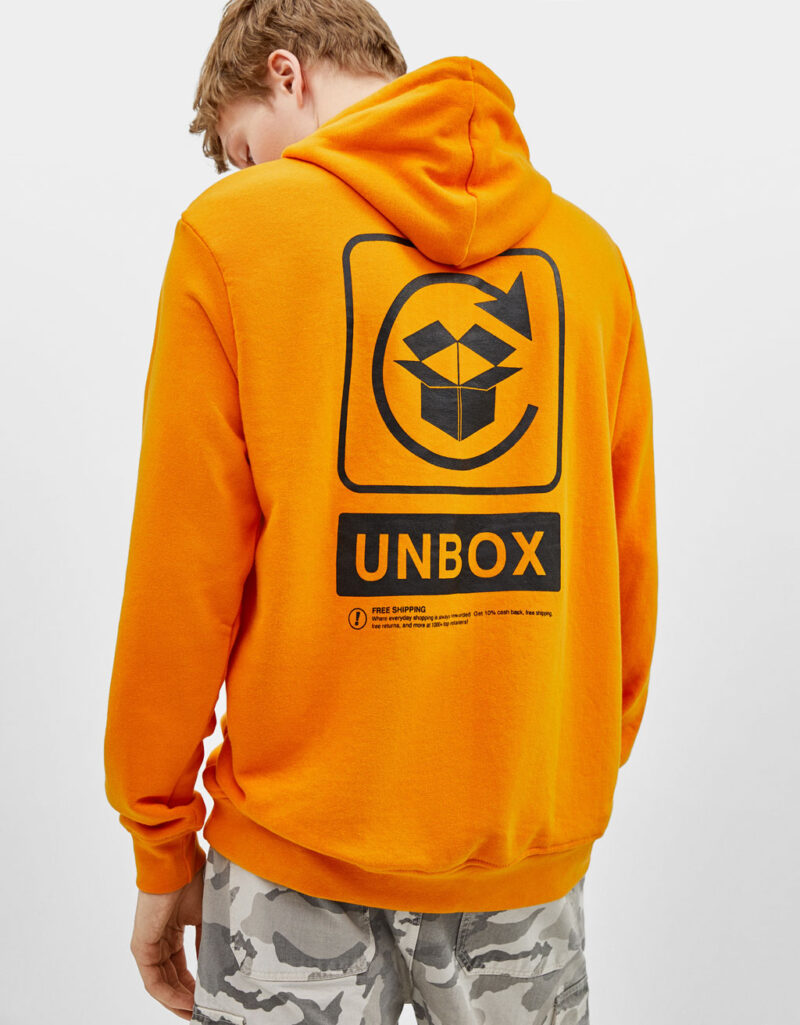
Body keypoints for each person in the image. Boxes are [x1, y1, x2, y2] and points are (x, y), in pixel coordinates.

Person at [103, 0, 658, 1022]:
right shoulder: (587, 259)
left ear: (286, 74)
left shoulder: (236, 234)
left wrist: (160, 840)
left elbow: (181, 580)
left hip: (292, 864)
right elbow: (624, 568)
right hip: (522, 861)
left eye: (244, 148)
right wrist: (549, 783)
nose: (250, 175)